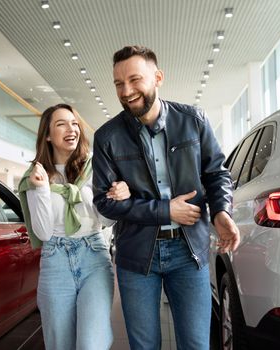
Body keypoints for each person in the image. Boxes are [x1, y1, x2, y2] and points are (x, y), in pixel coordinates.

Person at [92, 45, 240, 350]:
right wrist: (165, 211)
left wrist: (221, 212)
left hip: (190, 252)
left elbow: (216, 174)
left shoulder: (193, 120)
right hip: (136, 255)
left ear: (158, 77)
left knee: (196, 345)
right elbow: (104, 202)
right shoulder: (107, 137)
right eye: (119, 83)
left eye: (135, 80)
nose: (126, 91)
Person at [18, 103, 130, 350]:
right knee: (60, 344)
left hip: (93, 255)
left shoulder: (96, 167)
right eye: (61, 124)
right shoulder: (36, 175)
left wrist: (117, 199)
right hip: (55, 259)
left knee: (92, 344)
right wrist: (42, 189)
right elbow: (44, 232)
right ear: (47, 135)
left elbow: (106, 221)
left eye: (74, 123)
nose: (71, 129)